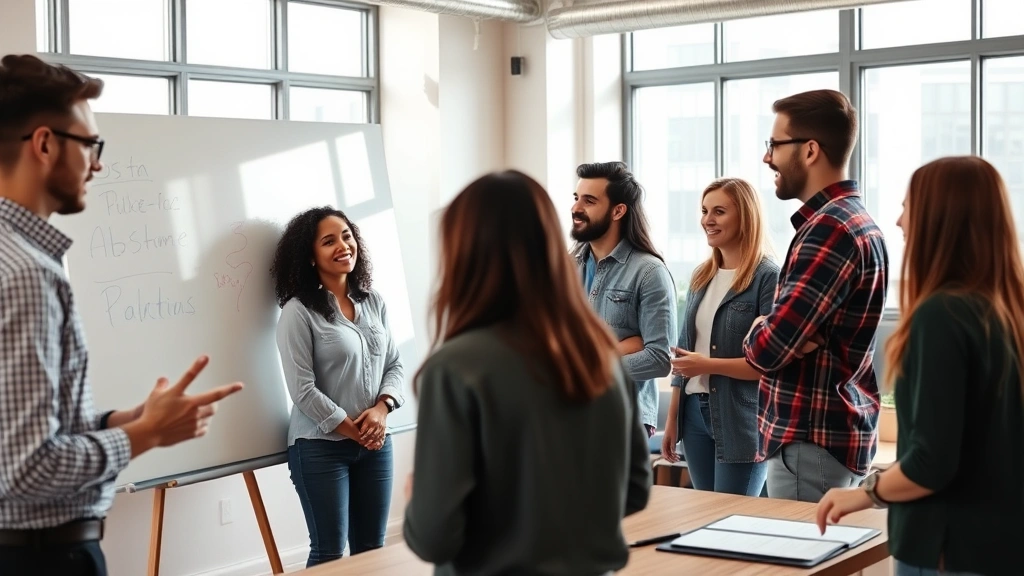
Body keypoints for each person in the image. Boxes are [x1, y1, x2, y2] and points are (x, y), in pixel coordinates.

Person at [0, 54, 243, 575]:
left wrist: (120, 421)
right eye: (90, 145)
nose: (99, 164)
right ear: (44, 145)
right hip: (43, 558)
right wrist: (146, 434)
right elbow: (23, 469)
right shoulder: (26, 274)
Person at [404, 171, 651, 576]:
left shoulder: (455, 367)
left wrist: (419, 501)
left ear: (462, 251)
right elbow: (636, 491)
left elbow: (434, 536)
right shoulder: (600, 357)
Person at [816, 156, 1024, 576]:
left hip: (946, 547)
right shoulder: (1008, 313)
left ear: (939, 219)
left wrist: (864, 493)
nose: (898, 221)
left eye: (909, 206)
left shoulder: (942, 315)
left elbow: (932, 462)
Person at [743, 89, 888, 502]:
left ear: (809, 151)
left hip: (810, 445)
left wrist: (759, 326)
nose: (767, 157)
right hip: (826, 441)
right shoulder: (856, 221)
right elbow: (788, 340)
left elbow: (768, 350)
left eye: (774, 144)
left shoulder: (830, 229)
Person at [271, 206, 404, 567]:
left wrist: (381, 409)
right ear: (310, 257)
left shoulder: (373, 301)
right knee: (329, 554)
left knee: (371, 552)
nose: (343, 245)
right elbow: (302, 389)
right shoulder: (297, 312)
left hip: (376, 444)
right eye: (328, 241)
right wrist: (353, 430)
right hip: (319, 447)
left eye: (346, 236)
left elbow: (395, 365)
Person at [661, 178, 778, 496]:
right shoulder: (701, 276)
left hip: (741, 420)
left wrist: (707, 365)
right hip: (694, 418)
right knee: (705, 520)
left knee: (733, 521)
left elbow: (767, 364)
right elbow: (684, 358)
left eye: (719, 211)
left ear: (745, 216)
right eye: (704, 211)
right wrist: (673, 420)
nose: (707, 220)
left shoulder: (768, 277)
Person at [571, 161, 676, 437]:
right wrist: (620, 347)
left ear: (618, 210)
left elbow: (659, 359)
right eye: (576, 198)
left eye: (589, 201)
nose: (576, 208)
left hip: (623, 417)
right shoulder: (566, 268)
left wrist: (592, 367)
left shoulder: (650, 272)